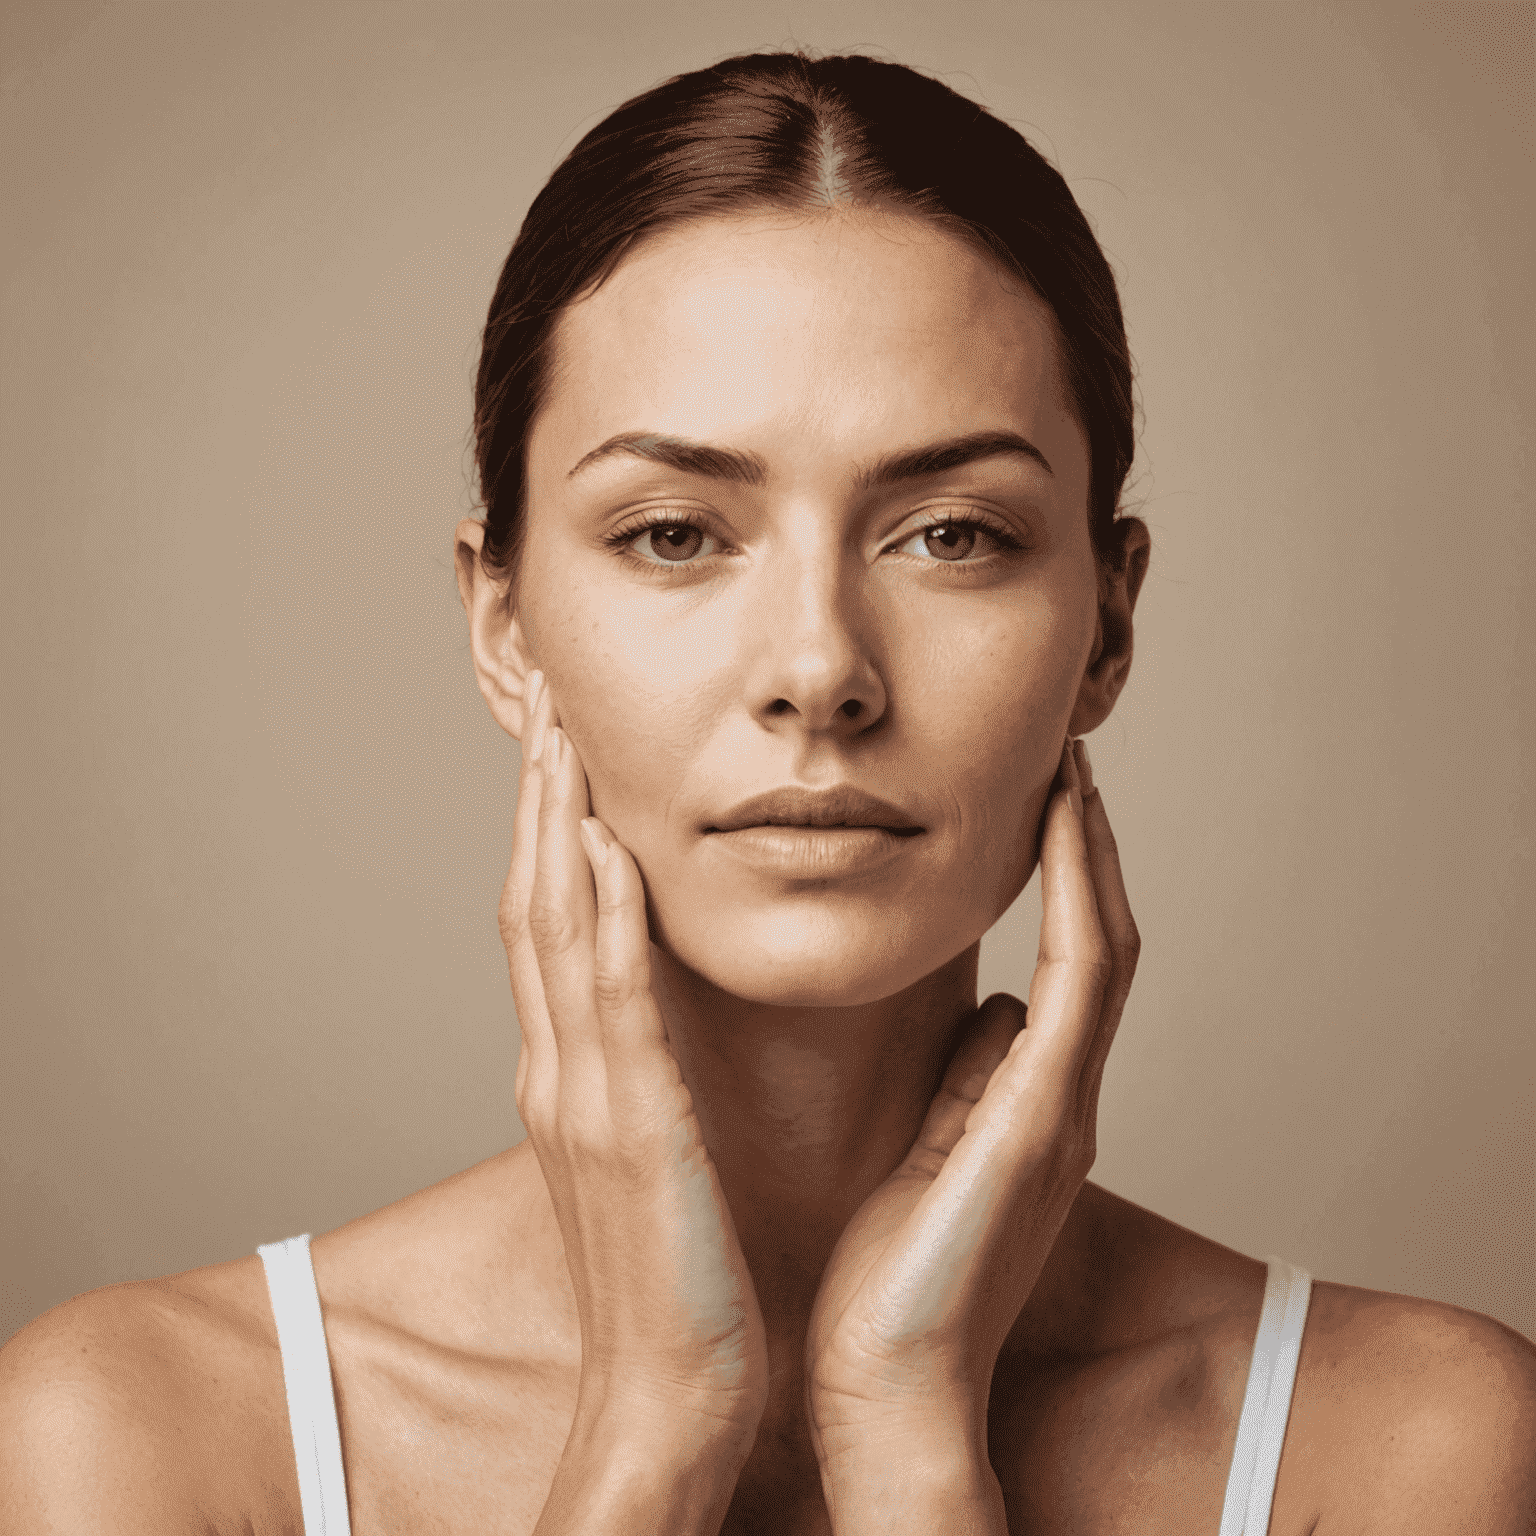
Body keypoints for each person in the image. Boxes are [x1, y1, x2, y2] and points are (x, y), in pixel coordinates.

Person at [2, 49, 1531, 1536]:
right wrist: (650, 1428)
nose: (819, 669)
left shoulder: (1408, 1450)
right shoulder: (153, 1436)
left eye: (952, 534)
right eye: (675, 533)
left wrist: (910, 1435)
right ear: (504, 624)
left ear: (1106, 630)